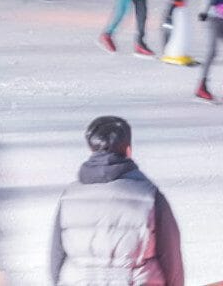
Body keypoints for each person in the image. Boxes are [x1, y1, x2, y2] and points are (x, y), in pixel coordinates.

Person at [49, 115, 184, 286]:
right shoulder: (150, 197)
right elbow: (171, 258)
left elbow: (56, 258)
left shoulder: (69, 197)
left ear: (92, 149)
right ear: (128, 149)